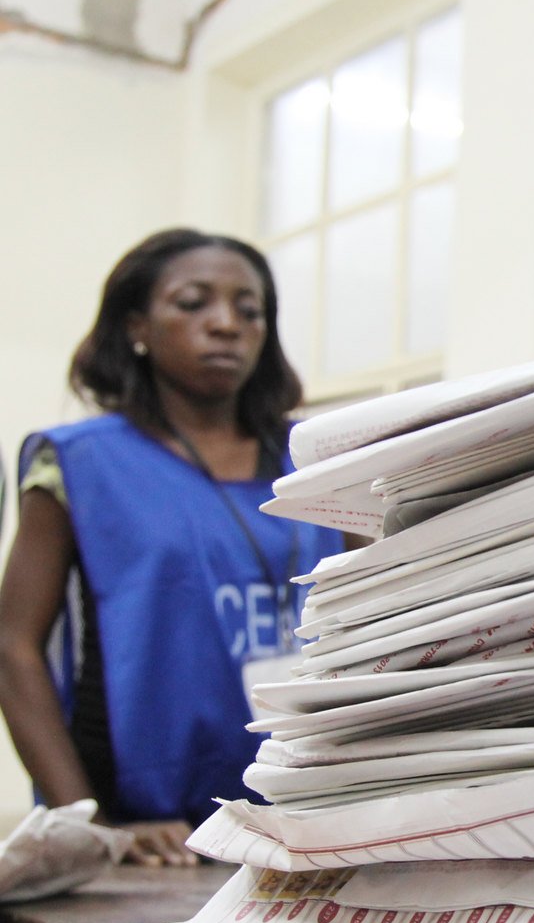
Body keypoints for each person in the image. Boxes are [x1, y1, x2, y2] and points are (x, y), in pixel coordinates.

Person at [0, 230, 348, 865]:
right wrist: (93, 823)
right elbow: (13, 649)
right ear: (137, 325)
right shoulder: (80, 463)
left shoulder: (321, 460)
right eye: (193, 303)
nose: (226, 324)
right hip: (149, 825)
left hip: (311, 816)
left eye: (250, 310)